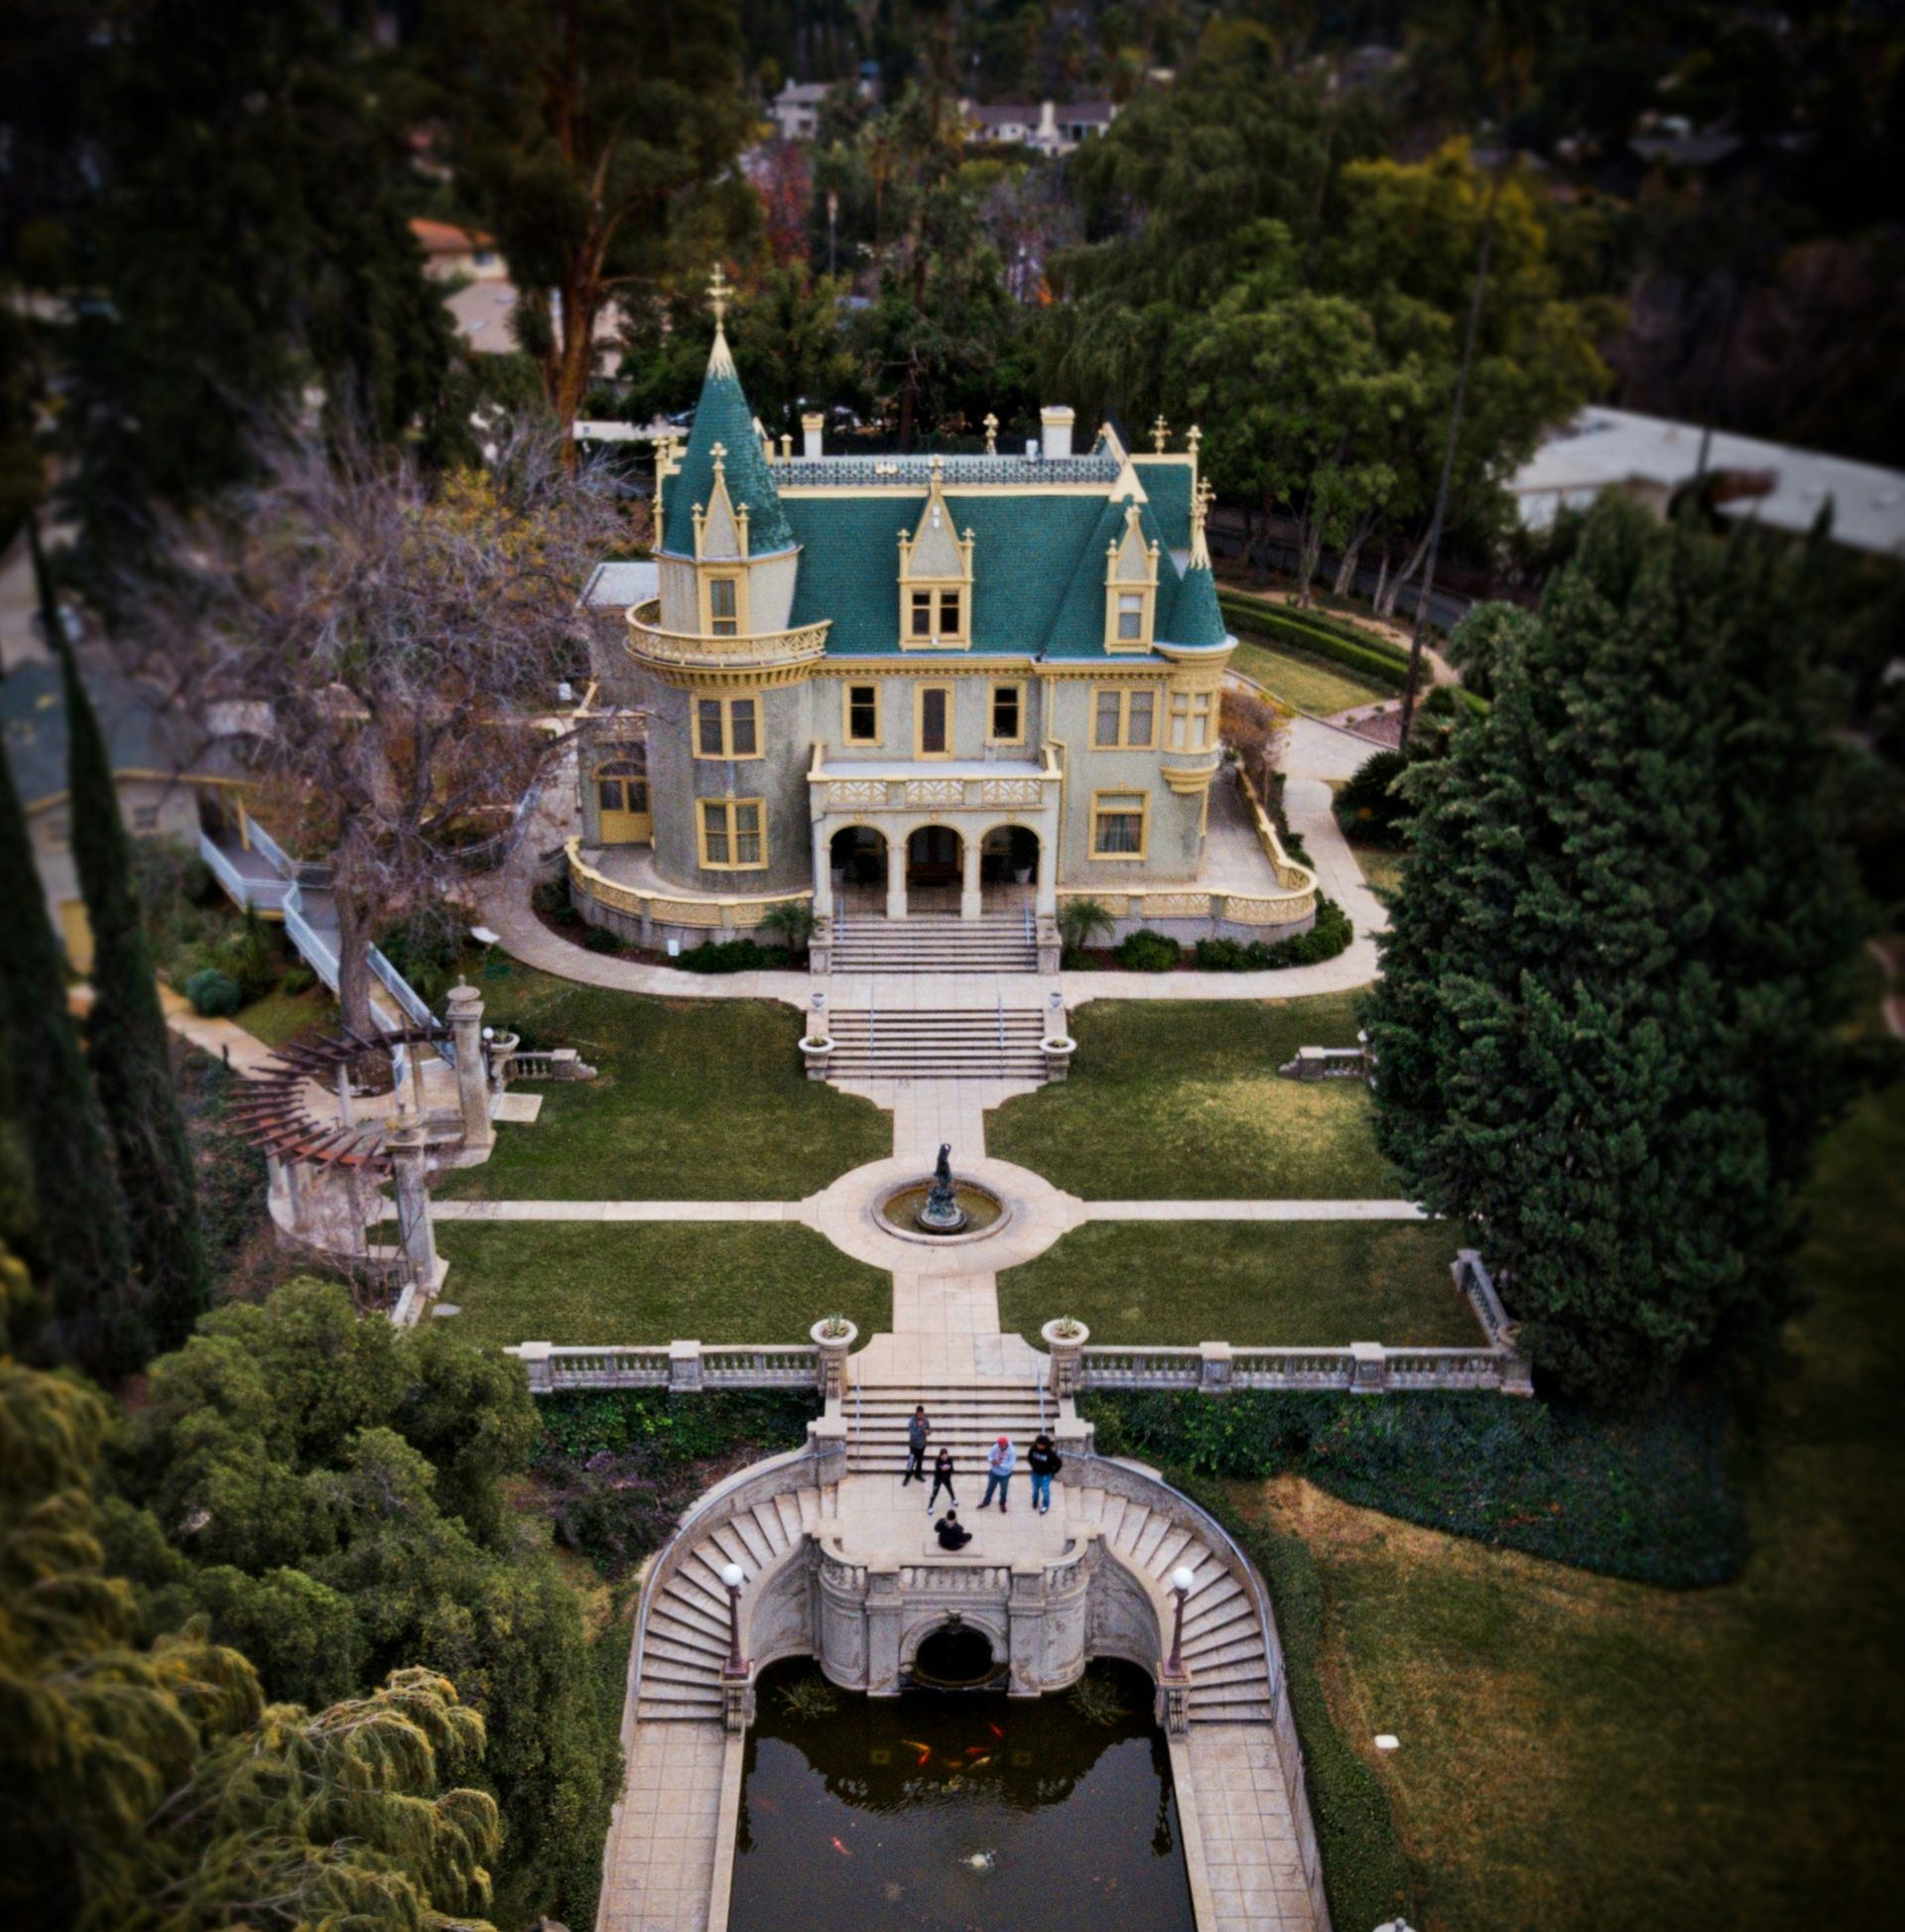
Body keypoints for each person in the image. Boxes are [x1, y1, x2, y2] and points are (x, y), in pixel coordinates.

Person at [978, 1435, 1017, 1512]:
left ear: (1005, 1444)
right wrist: (992, 1460)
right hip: (994, 1473)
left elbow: (1010, 1465)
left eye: (1001, 1446)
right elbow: (989, 1456)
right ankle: (986, 1502)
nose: (999, 1447)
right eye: (999, 1445)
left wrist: (1000, 1464)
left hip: (1005, 1475)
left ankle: (1002, 1503)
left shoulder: (1012, 1451)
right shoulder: (996, 1446)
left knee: (1003, 1490)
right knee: (990, 1489)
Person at [1027, 1433, 1063, 1514]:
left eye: (1041, 1445)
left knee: (1045, 1490)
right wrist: (1034, 1466)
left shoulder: (1050, 1454)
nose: (1039, 1446)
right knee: (1035, 1489)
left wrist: (1053, 1472)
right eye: (1038, 1444)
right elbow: (1029, 1457)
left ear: (1045, 1445)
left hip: (1045, 1475)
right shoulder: (1033, 1448)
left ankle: (1045, 1505)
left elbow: (1059, 1463)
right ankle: (1035, 1502)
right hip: (1035, 1473)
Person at [902, 1404, 932, 1486]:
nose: (920, 1416)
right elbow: (912, 1434)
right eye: (919, 1414)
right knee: (911, 1461)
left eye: (922, 1414)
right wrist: (922, 1429)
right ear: (916, 1413)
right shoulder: (912, 1420)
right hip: (913, 1445)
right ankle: (907, 1477)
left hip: (922, 1445)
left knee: (920, 1461)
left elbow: (929, 1429)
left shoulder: (925, 1420)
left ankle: (918, 1474)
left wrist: (928, 1432)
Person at [926, 1447, 956, 1515]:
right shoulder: (937, 1460)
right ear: (940, 1455)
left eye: (946, 1455)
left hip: (946, 1478)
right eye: (943, 1456)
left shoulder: (950, 1459)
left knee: (950, 1489)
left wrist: (948, 1468)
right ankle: (930, 1506)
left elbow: (952, 1469)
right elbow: (938, 1469)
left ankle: (953, 1499)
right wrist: (944, 1468)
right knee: (934, 1492)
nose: (945, 1457)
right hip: (938, 1478)